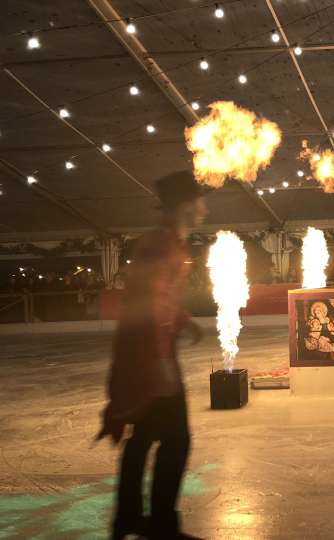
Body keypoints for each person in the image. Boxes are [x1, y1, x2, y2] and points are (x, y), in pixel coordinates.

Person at [98, 171, 207, 540]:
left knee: (146, 435)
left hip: (152, 350)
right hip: (149, 354)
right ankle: (157, 524)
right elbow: (149, 301)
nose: (205, 210)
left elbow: (161, 299)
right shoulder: (161, 244)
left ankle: (131, 519)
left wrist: (184, 320)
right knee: (175, 439)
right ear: (187, 206)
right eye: (201, 203)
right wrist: (160, 363)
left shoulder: (170, 243)